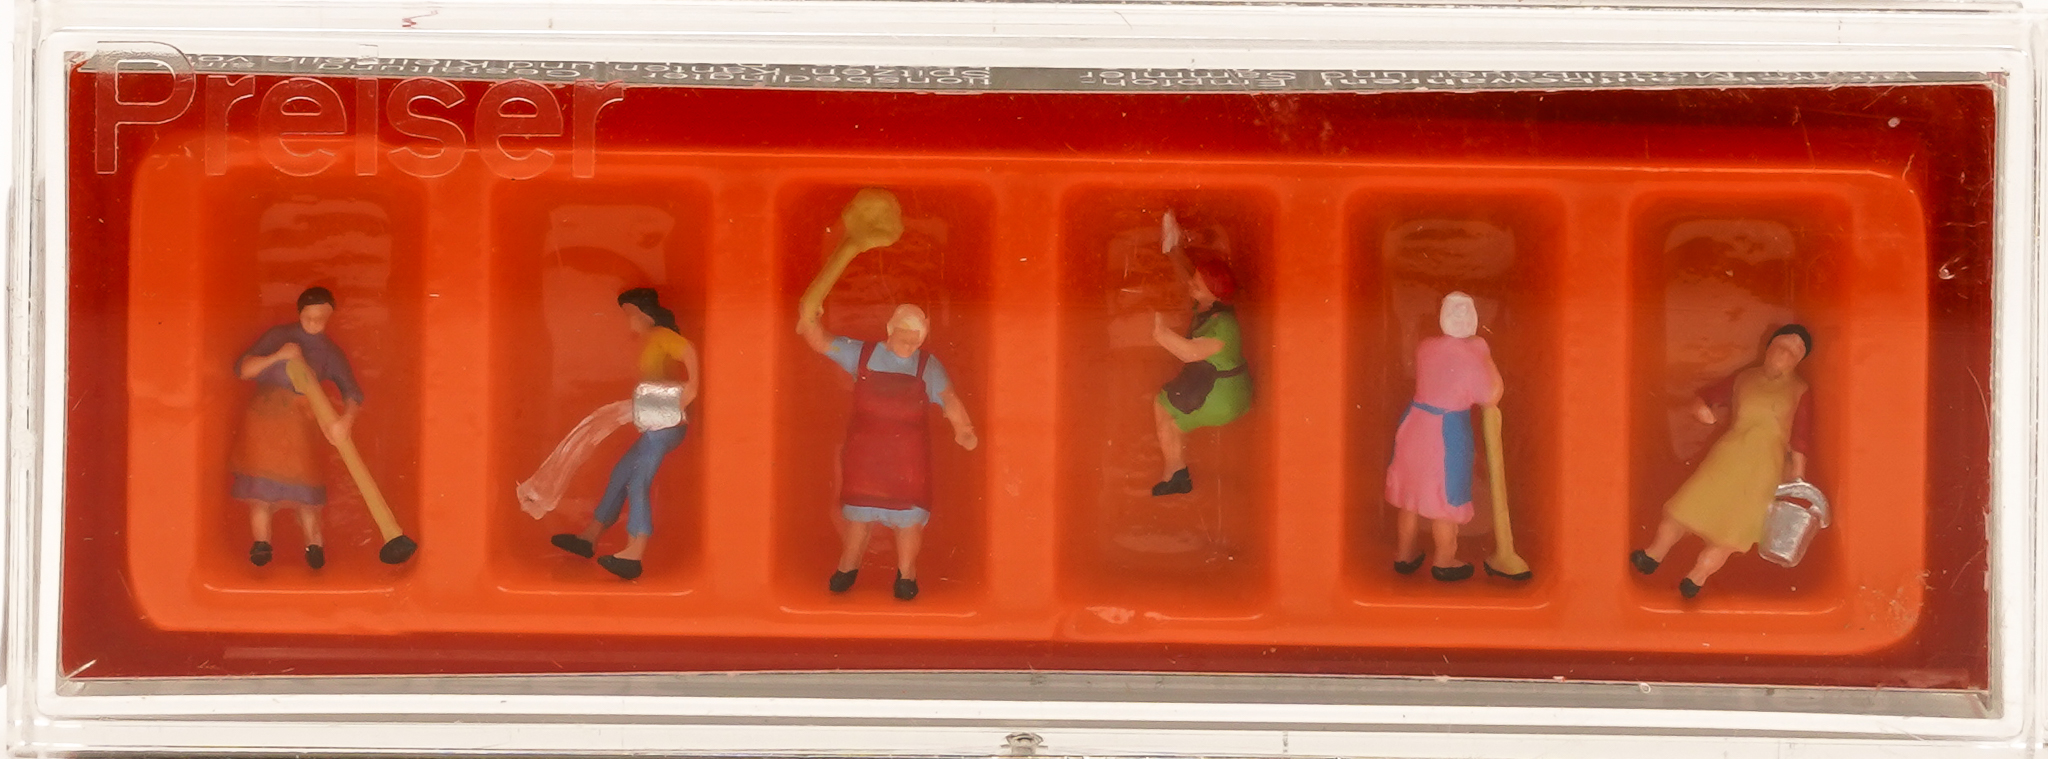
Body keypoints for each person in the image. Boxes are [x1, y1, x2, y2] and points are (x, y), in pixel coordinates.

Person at [798, 303, 978, 600]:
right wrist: (810, 321)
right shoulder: (863, 355)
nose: (909, 346)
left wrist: (964, 428)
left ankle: (907, 575)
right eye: (904, 338)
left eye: (915, 341)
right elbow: (823, 343)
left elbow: (948, 397)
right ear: (890, 331)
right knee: (859, 516)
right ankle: (847, 568)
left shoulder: (927, 365)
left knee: (908, 520)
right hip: (866, 455)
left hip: (908, 458)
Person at [1632, 324, 1814, 599]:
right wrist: (1701, 408)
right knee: (1687, 504)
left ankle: (1696, 578)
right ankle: (1653, 555)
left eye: (1794, 350)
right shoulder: (1746, 378)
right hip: (1728, 455)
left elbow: (1800, 437)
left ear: (1799, 360)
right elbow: (1709, 395)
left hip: (1765, 469)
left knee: (1732, 531)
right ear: (1769, 346)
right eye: (1781, 345)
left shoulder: (1798, 390)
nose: (1784, 353)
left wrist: (1797, 478)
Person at [550, 288, 700, 580]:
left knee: (638, 481)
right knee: (621, 474)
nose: (629, 321)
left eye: (631, 314)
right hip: (655, 422)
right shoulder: (652, 339)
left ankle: (634, 552)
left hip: (666, 426)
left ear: (645, 314)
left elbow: (689, 350)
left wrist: (691, 389)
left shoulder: (662, 335)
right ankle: (589, 537)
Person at [230, 287, 362, 569]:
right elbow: (243, 369)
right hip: (264, 421)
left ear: (329, 317)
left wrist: (345, 421)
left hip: (301, 426)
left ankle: (314, 545)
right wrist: (278, 356)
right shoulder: (279, 337)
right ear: (300, 313)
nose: (313, 323)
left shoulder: (329, 353)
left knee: (305, 490)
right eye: (308, 317)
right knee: (260, 490)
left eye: (320, 319)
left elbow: (352, 391)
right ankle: (261, 544)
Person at [1384, 292, 1504, 582]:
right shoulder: (1472, 355)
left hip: (1414, 424)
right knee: (1446, 498)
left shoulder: (1426, 347)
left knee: (1410, 495)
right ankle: (1445, 560)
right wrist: (1485, 355)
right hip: (1446, 430)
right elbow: (1490, 395)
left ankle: (1404, 554)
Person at [1149, 234, 1251, 497]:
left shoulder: (1223, 326)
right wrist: (1173, 250)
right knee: (1166, 402)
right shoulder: (1208, 305)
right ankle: (1176, 471)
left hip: (1223, 396)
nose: (1190, 285)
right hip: (1216, 378)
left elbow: (1189, 352)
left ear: (1213, 290)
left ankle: (1177, 474)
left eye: (1197, 284)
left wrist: (1160, 331)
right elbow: (1187, 277)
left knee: (1167, 413)